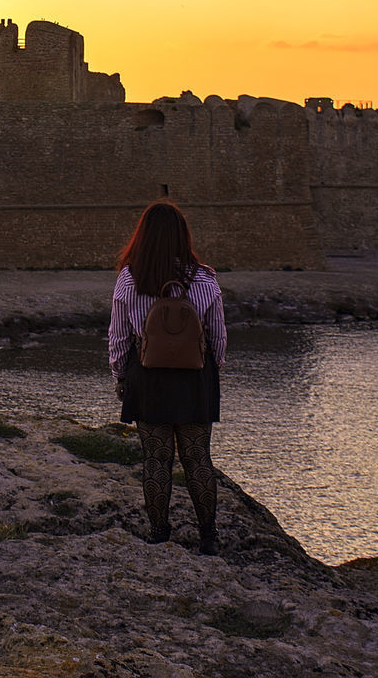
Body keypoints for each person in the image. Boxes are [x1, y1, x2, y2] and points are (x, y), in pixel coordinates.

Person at [108, 201, 227, 554]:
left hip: (148, 378)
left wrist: (120, 377)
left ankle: (159, 533)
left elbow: (118, 337)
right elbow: (218, 336)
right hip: (194, 379)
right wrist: (210, 373)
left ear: (142, 236)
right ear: (182, 236)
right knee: (198, 458)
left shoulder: (130, 279)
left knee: (156, 460)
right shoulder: (205, 278)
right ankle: (208, 537)